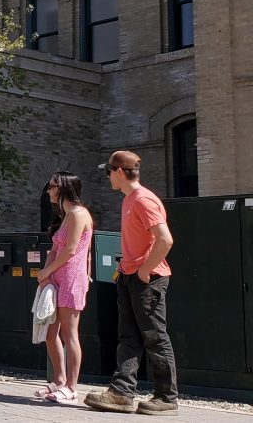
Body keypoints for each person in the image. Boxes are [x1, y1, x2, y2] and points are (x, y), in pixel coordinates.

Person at [84, 151, 178, 416]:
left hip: (147, 279)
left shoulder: (143, 200)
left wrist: (145, 271)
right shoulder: (129, 200)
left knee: (155, 337)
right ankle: (122, 393)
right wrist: (127, 271)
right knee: (129, 337)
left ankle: (166, 398)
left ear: (119, 172)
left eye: (108, 172)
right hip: (131, 276)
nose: (107, 177)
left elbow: (165, 239)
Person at [35, 171, 94, 405]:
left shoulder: (79, 214)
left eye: (51, 186)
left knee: (70, 333)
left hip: (71, 278)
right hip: (56, 278)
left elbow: (70, 250)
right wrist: (45, 274)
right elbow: (54, 250)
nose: (48, 190)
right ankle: (59, 380)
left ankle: (71, 387)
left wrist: (47, 272)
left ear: (63, 188)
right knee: (51, 333)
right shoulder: (66, 215)